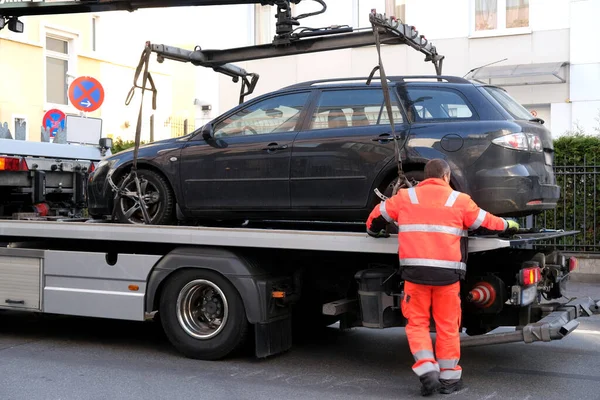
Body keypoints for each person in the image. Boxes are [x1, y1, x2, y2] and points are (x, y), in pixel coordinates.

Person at [366, 159, 519, 396]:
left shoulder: (406, 197)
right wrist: (509, 224)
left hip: (414, 275)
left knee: (417, 324)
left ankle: (427, 372)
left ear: (426, 177)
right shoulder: (459, 200)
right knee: (448, 327)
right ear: (446, 176)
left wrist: (374, 231)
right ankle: (450, 380)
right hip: (447, 277)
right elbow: (487, 223)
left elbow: (376, 217)